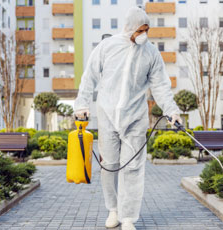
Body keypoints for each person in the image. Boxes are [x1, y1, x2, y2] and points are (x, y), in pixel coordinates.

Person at [74, 7, 182, 230]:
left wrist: (172, 111)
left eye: (147, 30)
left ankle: (128, 218)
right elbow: (89, 77)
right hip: (107, 114)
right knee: (110, 166)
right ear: (130, 28)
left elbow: (160, 85)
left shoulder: (151, 53)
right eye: (140, 30)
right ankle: (113, 210)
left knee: (132, 168)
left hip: (135, 117)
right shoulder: (107, 46)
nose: (144, 34)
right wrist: (82, 104)